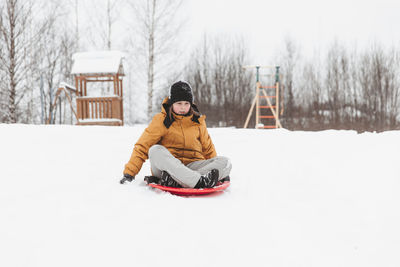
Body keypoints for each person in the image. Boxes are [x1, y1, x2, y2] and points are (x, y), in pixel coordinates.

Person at [121, 81, 232, 188]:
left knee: (225, 162)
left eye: (186, 103)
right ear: (172, 103)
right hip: (167, 169)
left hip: (190, 167)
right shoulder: (161, 120)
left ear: (191, 104)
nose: (183, 107)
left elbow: (208, 149)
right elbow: (142, 147)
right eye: (179, 103)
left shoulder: (198, 121)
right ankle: (198, 181)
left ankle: (179, 180)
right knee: (154, 150)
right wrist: (129, 173)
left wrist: (219, 172)